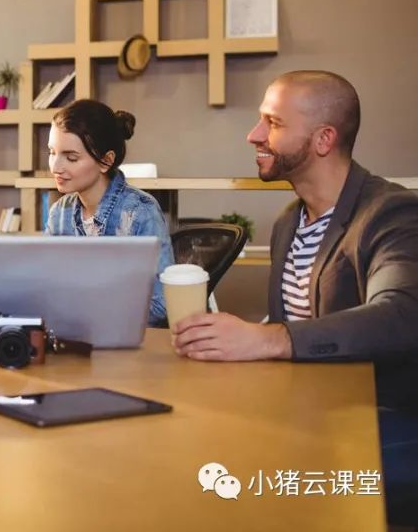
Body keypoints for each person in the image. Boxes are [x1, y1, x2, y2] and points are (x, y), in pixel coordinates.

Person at [172, 71, 418, 523]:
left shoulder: (392, 212)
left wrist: (268, 339)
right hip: (316, 412)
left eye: (273, 123)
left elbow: (400, 316)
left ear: (324, 139)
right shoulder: (289, 222)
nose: (254, 135)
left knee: (245, 471)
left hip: (387, 416)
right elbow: (295, 327)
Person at [45, 99, 173, 327]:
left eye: (71, 158)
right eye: (52, 152)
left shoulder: (141, 212)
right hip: (73, 335)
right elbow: (47, 286)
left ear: (105, 161)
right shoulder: (59, 213)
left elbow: (161, 305)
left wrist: (85, 306)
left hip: (126, 341)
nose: (55, 167)